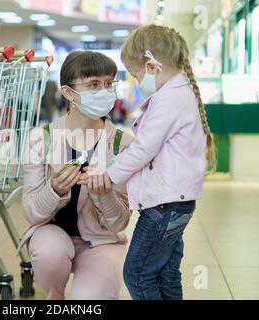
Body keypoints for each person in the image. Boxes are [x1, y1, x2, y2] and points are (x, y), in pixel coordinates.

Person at [80, 24, 216, 300]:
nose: (135, 81)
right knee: (166, 273)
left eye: (134, 74)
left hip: (163, 207)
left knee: (137, 273)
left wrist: (107, 174)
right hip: (176, 204)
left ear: (152, 66)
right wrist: (108, 168)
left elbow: (143, 150)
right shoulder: (180, 92)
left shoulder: (169, 99)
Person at [18, 51, 133, 300]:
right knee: (50, 251)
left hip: (102, 240)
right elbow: (31, 212)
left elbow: (119, 222)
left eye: (108, 83)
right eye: (93, 84)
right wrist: (54, 190)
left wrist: (104, 196)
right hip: (51, 233)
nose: (104, 91)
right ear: (69, 93)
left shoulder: (123, 145)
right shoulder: (41, 139)